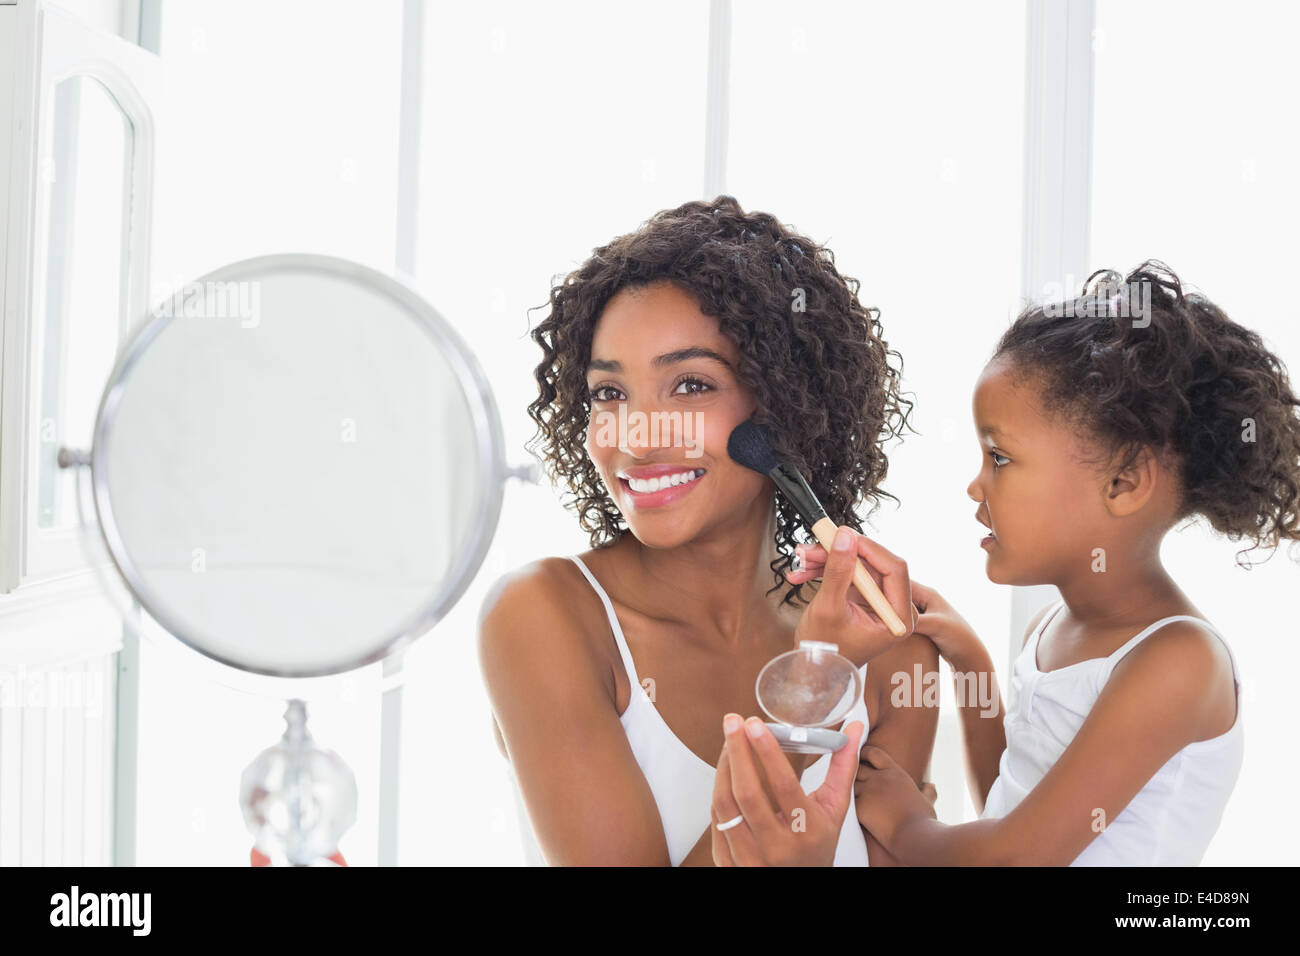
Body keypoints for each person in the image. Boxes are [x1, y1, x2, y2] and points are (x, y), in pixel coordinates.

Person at [727, 262, 1298, 865]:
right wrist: (967, 654)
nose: (976, 486)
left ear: (1124, 481)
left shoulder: (1179, 663)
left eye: (999, 458)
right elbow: (1013, 801)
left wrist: (910, 825)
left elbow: (1013, 857)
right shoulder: (1052, 628)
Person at [478, 195, 937, 866]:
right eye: (610, 392)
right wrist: (813, 684)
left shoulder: (887, 653)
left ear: (783, 406)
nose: (638, 436)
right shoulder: (545, 617)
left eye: (690, 386)